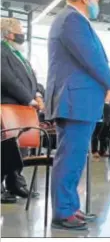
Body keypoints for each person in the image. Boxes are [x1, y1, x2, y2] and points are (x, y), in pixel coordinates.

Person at [45, 0, 110, 230]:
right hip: (74, 99)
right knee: (70, 157)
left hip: (79, 99)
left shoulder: (71, 20)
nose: (97, 4)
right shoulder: (71, 20)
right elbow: (92, 58)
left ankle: (71, 207)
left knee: (74, 158)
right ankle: (63, 212)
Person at [1, 17, 43, 204]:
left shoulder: (19, 55)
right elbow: (8, 80)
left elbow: (32, 79)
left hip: (23, 109)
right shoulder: (2, 52)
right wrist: (29, 99)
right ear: (9, 34)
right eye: (19, 29)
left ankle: (14, 183)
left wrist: (39, 93)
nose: (22, 33)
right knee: (6, 148)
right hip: (8, 106)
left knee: (19, 148)